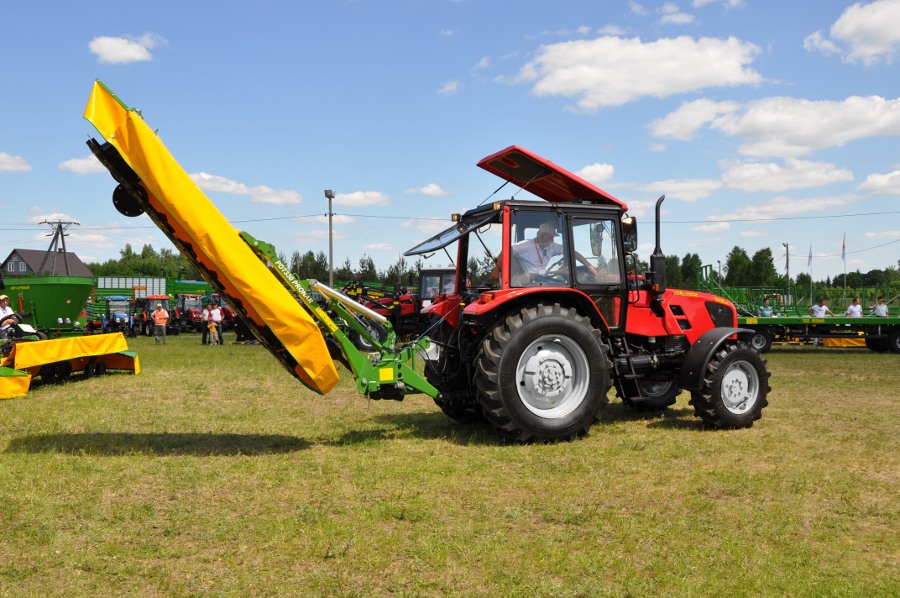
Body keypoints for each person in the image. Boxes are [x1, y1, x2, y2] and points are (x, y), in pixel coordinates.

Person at [489, 222, 600, 284]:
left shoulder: (551, 246)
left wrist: (589, 266)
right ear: (541, 235)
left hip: (542, 280)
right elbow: (505, 251)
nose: (552, 239)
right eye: (550, 236)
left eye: (553, 236)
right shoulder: (526, 245)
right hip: (527, 281)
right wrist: (496, 270)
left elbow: (573, 252)